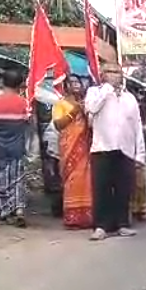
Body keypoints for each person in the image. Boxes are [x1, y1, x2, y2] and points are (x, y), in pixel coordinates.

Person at [85, 61, 145, 241]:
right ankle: (101, 226)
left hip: (125, 149)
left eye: (118, 72)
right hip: (102, 147)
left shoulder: (129, 98)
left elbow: (137, 126)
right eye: (111, 72)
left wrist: (139, 153)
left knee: (123, 189)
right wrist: (106, 89)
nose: (116, 75)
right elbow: (91, 108)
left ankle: (122, 224)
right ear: (102, 74)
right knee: (101, 189)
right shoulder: (95, 92)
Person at [0, 69, 32, 227]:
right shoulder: (24, 103)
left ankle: (1, 212)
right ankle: (18, 210)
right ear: (20, 85)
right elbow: (28, 122)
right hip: (17, 148)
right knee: (17, 180)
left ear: (3, 83)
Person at [52, 75, 93, 228]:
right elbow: (58, 125)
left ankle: (88, 216)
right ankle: (72, 217)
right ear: (66, 86)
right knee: (72, 179)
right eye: (72, 82)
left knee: (87, 180)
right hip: (69, 146)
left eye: (78, 82)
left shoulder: (87, 102)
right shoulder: (61, 103)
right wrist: (74, 111)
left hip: (86, 146)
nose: (76, 85)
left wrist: (84, 110)